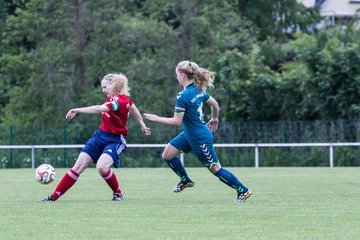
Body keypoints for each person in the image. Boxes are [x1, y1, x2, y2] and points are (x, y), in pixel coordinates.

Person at [144, 61, 252, 202]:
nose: (176, 77)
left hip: (199, 138)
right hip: (189, 134)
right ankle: (186, 181)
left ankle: (243, 190)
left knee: (216, 169)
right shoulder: (198, 89)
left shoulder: (183, 96)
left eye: (177, 74)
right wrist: (214, 118)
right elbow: (215, 104)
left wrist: (157, 118)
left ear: (182, 75)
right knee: (167, 154)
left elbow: (177, 121)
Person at [42, 73, 151, 202]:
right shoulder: (117, 99)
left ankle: (118, 193)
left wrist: (77, 110)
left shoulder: (119, 101)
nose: (103, 90)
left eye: (105, 87)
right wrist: (142, 124)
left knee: (102, 167)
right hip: (99, 137)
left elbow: (99, 109)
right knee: (77, 167)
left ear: (114, 85)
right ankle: (53, 197)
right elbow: (133, 107)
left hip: (115, 140)